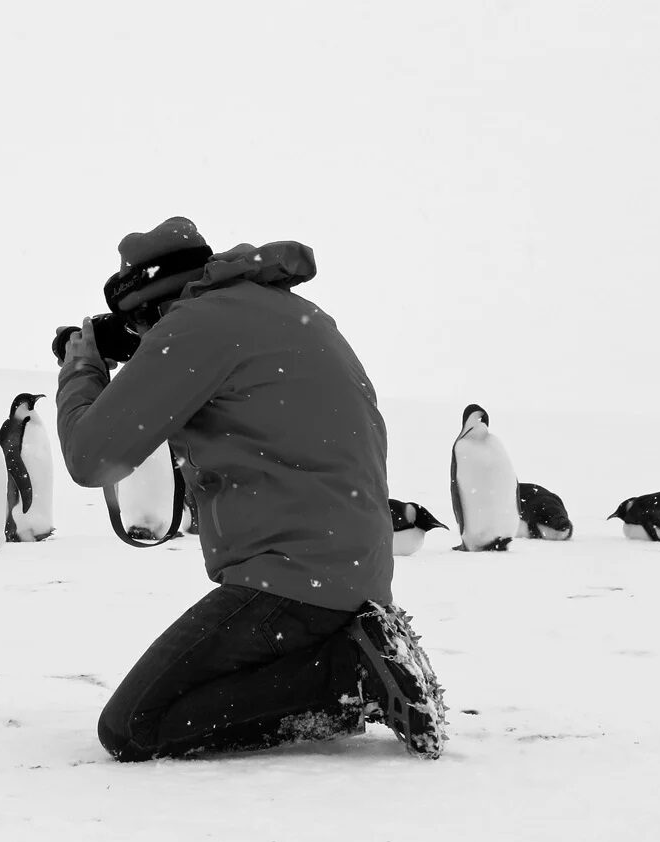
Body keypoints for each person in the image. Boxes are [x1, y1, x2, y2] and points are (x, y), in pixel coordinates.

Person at [55, 216, 446, 760]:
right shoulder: (285, 311)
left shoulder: (197, 326)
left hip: (291, 578)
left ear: (149, 305)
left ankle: (349, 678)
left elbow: (90, 458)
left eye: (143, 326)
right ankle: (351, 662)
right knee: (191, 696)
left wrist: (80, 369)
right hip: (350, 568)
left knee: (134, 726)